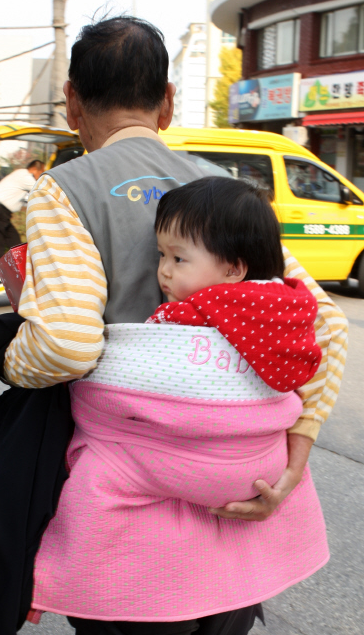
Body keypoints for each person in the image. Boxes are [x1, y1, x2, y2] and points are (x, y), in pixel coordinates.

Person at [2, 16, 348, 635]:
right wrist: (293, 461)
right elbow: (324, 324)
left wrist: (6, 360)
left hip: (131, 522)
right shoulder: (218, 190)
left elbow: (64, 342)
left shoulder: (63, 191)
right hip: (239, 501)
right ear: (167, 103)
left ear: (73, 103)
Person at [27, 176, 328, 632]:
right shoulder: (292, 306)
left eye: (178, 258)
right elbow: (312, 367)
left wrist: (85, 397)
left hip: (172, 481)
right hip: (255, 472)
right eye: (161, 256)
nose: (163, 271)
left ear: (232, 269)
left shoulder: (182, 314)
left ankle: (50, 576)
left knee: (91, 458)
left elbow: (124, 382)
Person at [0, 160, 44, 287]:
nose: (41, 175)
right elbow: (40, 189)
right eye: (41, 172)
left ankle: (22, 274)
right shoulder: (24, 176)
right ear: (35, 170)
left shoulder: (20, 176)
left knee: (15, 242)